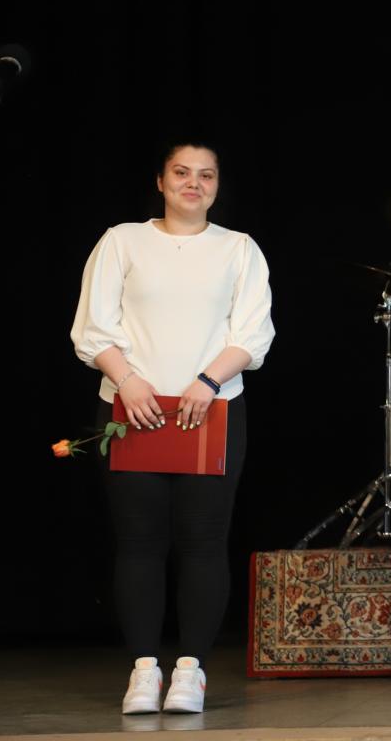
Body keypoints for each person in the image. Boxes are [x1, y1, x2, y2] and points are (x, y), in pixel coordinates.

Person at [70, 141, 275, 714]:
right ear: (160, 182)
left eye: (206, 175)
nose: (193, 183)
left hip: (210, 411)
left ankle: (190, 671)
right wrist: (128, 381)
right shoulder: (122, 241)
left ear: (217, 185)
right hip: (131, 410)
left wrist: (207, 382)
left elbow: (252, 333)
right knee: (138, 542)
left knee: (204, 542)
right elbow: (92, 327)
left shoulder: (238, 249)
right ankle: (143, 670)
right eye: (181, 173)